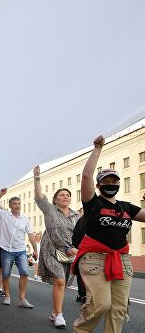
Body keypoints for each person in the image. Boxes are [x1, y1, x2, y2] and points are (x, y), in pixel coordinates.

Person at [73, 136, 145, 333]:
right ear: (98, 186)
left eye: (114, 180)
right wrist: (97, 148)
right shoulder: (93, 203)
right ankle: (81, 330)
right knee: (101, 305)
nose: (111, 184)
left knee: (119, 308)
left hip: (122, 260)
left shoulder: (127, 207)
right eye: (106, 181)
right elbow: (86, 177)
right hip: (94, 259)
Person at [33, 165, 80, 328]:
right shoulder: (49, 209)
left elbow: (82, 234)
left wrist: (77, 248)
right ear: (55, 199)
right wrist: (37, 177)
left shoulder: (76, 215)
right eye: (62, 195)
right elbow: (39, 197)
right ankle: (59, 315)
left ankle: (54, 312)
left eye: (68, 195)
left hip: (70, 253)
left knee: (64, 283)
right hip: (52, 250)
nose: (65, 197)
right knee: (59, 281)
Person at [0, 189, 39, 308]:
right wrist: (1, 194)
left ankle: (22, 298)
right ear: (10, 205)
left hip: (20, 250)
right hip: (6, 250)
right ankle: (7, 296)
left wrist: (35, 250)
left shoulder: (25, 219)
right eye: (15, 204)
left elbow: (31, 235)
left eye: (19, 203)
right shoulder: (3, 214)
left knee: (25, 273)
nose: (17, 206)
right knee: (6, 274)